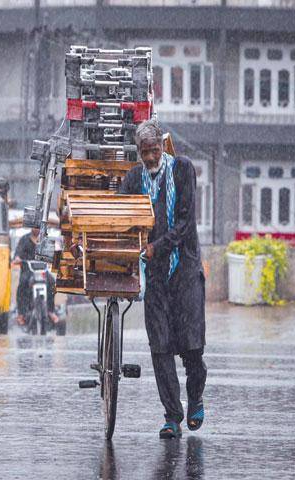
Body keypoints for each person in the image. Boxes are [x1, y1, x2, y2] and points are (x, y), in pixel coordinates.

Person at [119, 118, 207, 439]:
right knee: (160, 348)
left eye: (154, 150)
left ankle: (195, 397)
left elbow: (185, 223)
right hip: (155, 277)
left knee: (192, 348)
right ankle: (172, 415)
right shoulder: (134, 178)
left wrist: (158, 246)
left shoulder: (183, 170)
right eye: (144, 152)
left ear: (162, 146)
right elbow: (122, 211)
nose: (151, 157)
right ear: (139, 152)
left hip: (185, 271)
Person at [12, 227, 58, 327]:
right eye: (35, 226)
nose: (37, 229)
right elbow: (17, 254)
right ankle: (21, 313)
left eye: (38, 226)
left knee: (52, 283)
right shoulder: (24, 239)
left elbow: (53, 255)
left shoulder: (46, 240)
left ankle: (50, 311)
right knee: (22, 285)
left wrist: (55, 259)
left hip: (43, 272)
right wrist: (17, 258)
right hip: (28, 271)